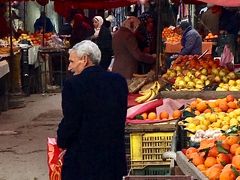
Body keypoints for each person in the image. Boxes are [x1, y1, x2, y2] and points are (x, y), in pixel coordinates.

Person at [57, 40, 128, 180]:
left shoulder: (73, 84)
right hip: (113, 157)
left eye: (71, 61)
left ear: (84, 60)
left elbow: (71, 122)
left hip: (84, 160)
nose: (69, 67)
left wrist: (62, 141)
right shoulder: (118, 81)